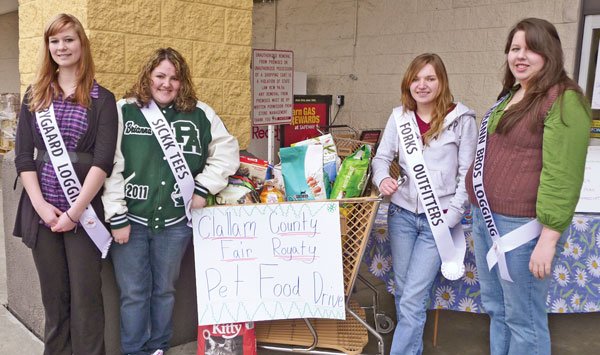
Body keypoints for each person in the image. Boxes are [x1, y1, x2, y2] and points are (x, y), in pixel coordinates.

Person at [465, 18, 592, 355]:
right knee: (497, 310)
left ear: (549, 54)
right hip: (486, 219)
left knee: (524, 318)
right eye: (515, 48)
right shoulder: (512, 94)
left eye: (531, 48)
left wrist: (548, 240)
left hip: (522, 229)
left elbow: (562, 175)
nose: (520, 56)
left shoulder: (562, 100)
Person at [103, 47, 239, 355]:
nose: (166, 84)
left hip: (176, 223)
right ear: (148, 77)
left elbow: (227, 152)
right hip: (131, 221)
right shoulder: (125, 110)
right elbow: (111, 165)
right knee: (134, 293)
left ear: (183, 81)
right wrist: (116, 216)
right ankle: (135, 351)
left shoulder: (200, 113)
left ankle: (158, 348)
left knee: (164, 292)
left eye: (174, 78)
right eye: (160, 76)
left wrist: (204, 188)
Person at [13, 13, 118, 355]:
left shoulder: (103, 99)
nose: (62, 47)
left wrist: (74, 213)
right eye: (55, 41)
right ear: (48, 47)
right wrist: (42, 207)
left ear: (82, 44)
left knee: (87, 299)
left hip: (83, 214)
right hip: (42, 212)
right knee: (54, 299)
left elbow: (102, 162)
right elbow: (24, 158)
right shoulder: (35, 95)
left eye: (69, 39)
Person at [372, 53, 477, 355]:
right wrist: (382, 180)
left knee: (412, 298)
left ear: (442, 82)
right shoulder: (399, 117)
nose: (422, 85)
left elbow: (467, 173)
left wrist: (453, 215)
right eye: (416, 79)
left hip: (438, 219)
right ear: (408, 83)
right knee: (405, 292)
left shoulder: (461, 120)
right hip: (402, 215)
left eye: (430, 78)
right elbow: (381, 158)